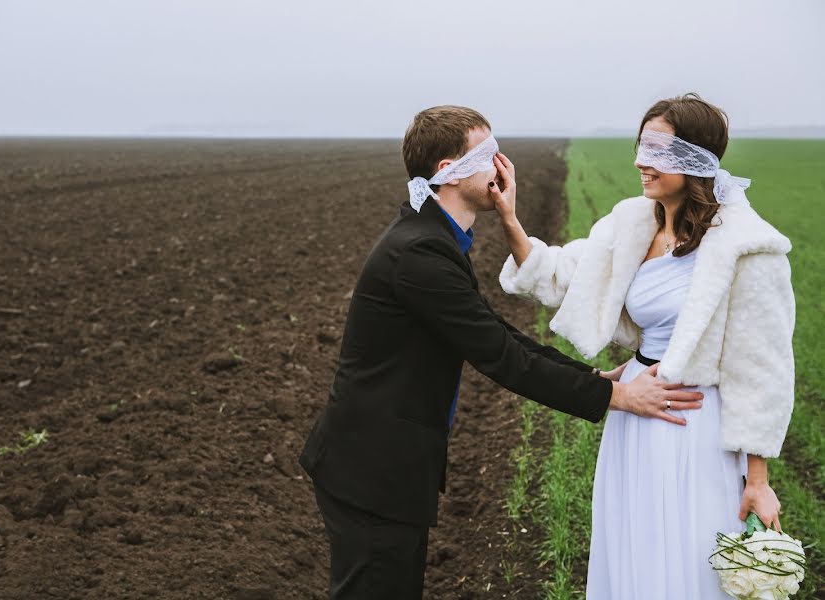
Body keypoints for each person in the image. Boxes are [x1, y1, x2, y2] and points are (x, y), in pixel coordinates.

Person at [298, 105, 704, 599]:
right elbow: (503, 357)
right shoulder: (420, 254)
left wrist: (598, 381)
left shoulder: (435, 239)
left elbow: (500, 335)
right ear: (449, 171)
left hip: (383, 469)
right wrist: (618, 398)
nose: (501, 164)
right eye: (487, 153)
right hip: (371, 472)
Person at [497, 93, 795, 599]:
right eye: (641, 146)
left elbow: (761, 368)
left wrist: (757, 479)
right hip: (635, 412)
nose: (640, 161)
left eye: (657, 150)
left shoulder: (748, 245)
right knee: (634, 549)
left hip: (695, 421)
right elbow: (564, 274)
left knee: (687, 558)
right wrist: (509, 219)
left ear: (693, 158)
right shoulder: (632, 222)